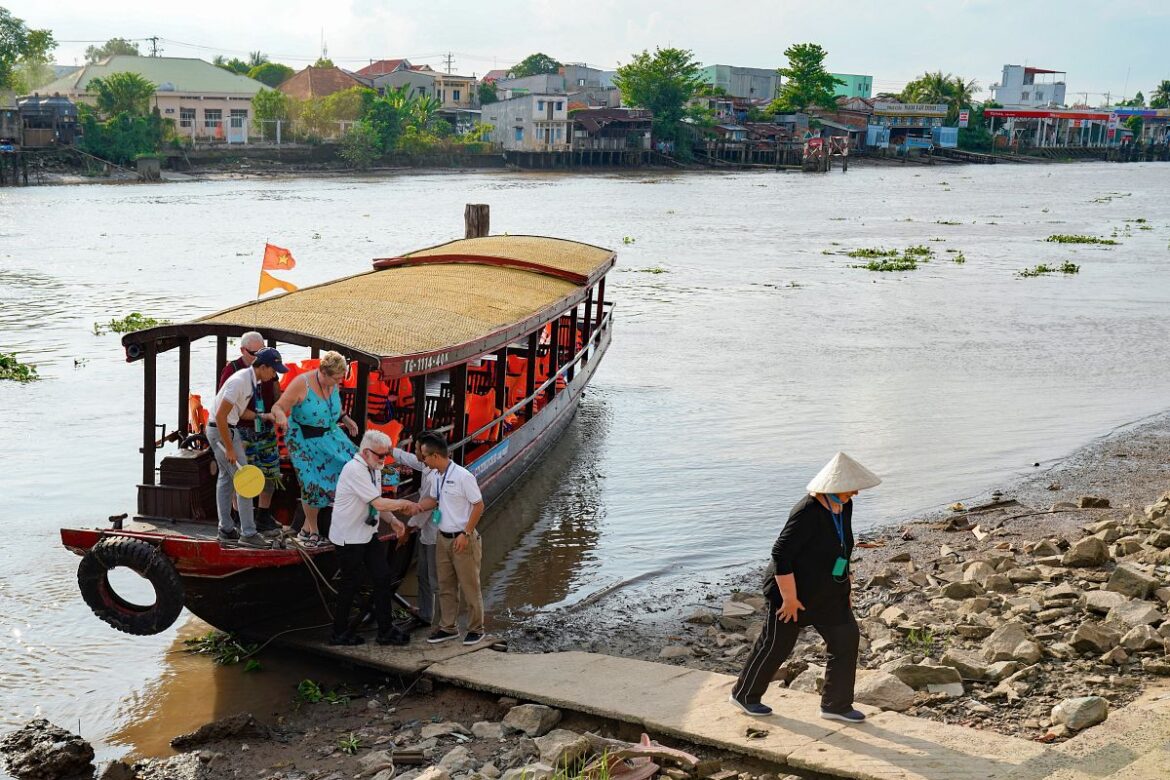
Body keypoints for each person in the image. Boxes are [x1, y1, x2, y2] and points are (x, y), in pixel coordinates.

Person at [730, 452, 881, 721]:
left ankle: (836, 705)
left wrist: (845, 588)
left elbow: (842, 548)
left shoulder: (843, 506)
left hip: (828, 591)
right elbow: (781, 555)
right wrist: (788, 599)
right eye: (850, 488)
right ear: (832, 487)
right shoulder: (806, 512)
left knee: (846, 639)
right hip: (792, 593)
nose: (855, 492)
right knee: (776, 645)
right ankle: (745, 695)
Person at [328, 429, 421, 646]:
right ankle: (339, 632)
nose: (384, 460)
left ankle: (385, 629)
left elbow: (376, 502)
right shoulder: (354, 470)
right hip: (349, 536)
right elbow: (378, 503)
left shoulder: (374, 468)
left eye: (385, 455)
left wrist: (393, 521)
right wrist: (403, 505)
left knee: (383, 576)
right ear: (366, 452)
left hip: (367, 533)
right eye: (380, 456)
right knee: (350, 583)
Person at [272, 351, 359, 548]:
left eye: (340, 378)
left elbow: (333, 408)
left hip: (329, 434)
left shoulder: (333, 383)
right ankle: (313, 531)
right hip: (303, 437)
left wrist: (346, 418)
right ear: (322, 372)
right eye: (336, 378)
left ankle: (304, 526)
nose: (338, 382)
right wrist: (282, 416)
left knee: (355, 464)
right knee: (311, 483)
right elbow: (278, 407)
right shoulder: (302, 384)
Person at [208, 347, 289, 548]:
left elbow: (239, 412)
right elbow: (220, 416)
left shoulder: (251, 381)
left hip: (228, 429)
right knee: (246, 480)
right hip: (221, 431)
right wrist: (229, 448)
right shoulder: (240, 382)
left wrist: (263, 416)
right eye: (273, 370)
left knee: (226, 479)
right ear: (263, 367)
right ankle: (248, 533)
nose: (275, 374)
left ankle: (226, 529)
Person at [414, 432, 487, 646]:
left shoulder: (463, 476)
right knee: (446, 585)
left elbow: (478, 505)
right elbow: (434, 501)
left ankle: (476, 628)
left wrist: (466, 533)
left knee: (469, 585)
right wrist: (415, 507)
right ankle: (448, 626)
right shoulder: (437, 476)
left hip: (462, 539)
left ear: (436, 456)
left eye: (425, 456)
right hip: (443, 538)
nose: (422, 460)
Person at [217, 331, 282, 534]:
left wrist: (278, 411)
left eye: (260, 352)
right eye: (254, 352)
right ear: (242, 350)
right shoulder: (233, 371)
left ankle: (263, 515)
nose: (257, 356)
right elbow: (225, 408)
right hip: (242, 431)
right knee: (243, 477)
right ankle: (238, 518)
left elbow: (278, 393)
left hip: (266, 430)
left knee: (270, 474)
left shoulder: (268, 367)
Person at [389, 437, 440, 628]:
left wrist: (406, 531)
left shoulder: (434, 479)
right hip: (429, 531)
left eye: (418, 449)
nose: (416, 452)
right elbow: (411, 460)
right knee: (423, 573)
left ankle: (436, 619)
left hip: (435, 533)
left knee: (430, 576)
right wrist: (391, 451)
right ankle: (427, 612)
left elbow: (423, 510)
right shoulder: (429, 466)